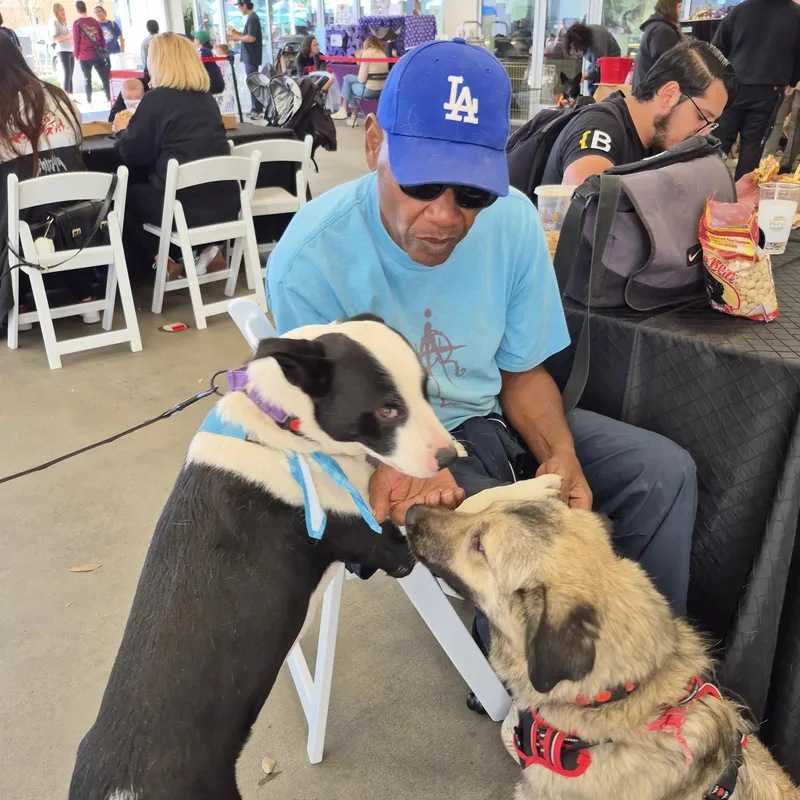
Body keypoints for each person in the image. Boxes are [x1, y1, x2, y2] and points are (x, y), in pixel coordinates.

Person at [267, 40, 699, 650]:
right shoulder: (311, 262)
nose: (446, 216)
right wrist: (393, 468)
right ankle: (534, 692)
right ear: (373, 144)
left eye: (472, 192)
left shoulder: (514, 221)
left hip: (493, 418)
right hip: (392, 452)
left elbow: (521, 372)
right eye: (423, 183)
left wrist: (559, 452)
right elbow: (326, 431)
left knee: (666, 475)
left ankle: (649, 665)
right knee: (515, 531)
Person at [540, 39, 758, 206]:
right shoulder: (598, 128)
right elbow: (590, 209)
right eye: (701, 117)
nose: (702, 133)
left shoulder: (656, 139)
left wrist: (729, 199)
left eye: (711, 123)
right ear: (669, 94)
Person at [114, 33, 236, 280]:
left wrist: (120, 133)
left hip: (180, 208)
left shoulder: (156, 100)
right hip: (225, 203)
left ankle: (161, 259)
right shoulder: (207, 100)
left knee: (120, 195)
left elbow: (132, 153)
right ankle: (209, 250)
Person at [0, 37, 98, 330]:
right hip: (78, 218)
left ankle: (20, 300)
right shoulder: (56, 95)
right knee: (51, 207)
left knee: (18, 211)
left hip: (22, 224)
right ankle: (85, 295)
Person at [712, 0, 800, 180]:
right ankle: (740, 198)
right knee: (752, 146)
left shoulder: (742, 8)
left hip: (734, 83)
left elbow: (716, 47)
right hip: (770, 87)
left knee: (719, 141)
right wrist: (792, 80)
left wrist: (719, 77)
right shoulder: (795, 13)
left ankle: (707, 189)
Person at [331, 35, 388, 122]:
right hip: (381, 91)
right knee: (349, 81)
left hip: (369, 90)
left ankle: (346, 111)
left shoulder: (367, 53)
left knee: (348, 81)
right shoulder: (383, 54)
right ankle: (349, 114)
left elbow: (361, 79)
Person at [632, 0, 682, 90]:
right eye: (679, 6)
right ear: (670, 7)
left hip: (647, 90)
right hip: (652, 93)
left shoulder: (656, 27)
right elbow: (664, 65)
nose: (680, 11)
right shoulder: (662, 30)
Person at [228, 1, 263, 120]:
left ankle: (257, 110)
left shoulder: (253, 18)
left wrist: (236, 37)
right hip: (250, 56)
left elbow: (251, 38)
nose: (239, 9)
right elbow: (248, 35)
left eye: (239, 7)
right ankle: (255, 108)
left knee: (253, 82)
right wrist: (238, 34)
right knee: (252, 82)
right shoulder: (251, 18)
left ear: (244, 6)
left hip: (251, 56)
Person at [564, 21, 620, 96]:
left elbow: (600, 67)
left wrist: (586, 75)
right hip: (601, 59)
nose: (577, 50)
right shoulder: (584, 33)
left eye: (576, 46)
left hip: (611, 62)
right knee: (591, 82)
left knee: (596, 87)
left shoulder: (596, 44)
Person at [73, 1, 111, 105]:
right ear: (85, 8)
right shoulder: (94, 21)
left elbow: (76, 41)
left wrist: (76, 55)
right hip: (97, 54)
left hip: (84, 56)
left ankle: (89, 101)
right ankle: (108, 98)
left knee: (87, 79)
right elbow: (102, 37)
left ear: (77, 9)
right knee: (104, 77)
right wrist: (103, 48)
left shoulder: (76, 23)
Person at [50, 4, 75, 96]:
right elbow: (54, 38)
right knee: (67, 74)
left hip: (70, 50)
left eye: (63, 9)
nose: (63, 12)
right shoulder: (55, 22)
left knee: (71, 75)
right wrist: (66, 36)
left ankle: (71, 96)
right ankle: (66, 97)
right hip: (62, 50)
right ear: (56, 12)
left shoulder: (63, 23)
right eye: (60, 10)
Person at [191, 29, 225, 95]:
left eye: (195, 38)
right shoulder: (209, 51)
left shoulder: (203, 52)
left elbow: (199, 69)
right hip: (218, 83)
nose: (193, 40)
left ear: (199, 41)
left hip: (212, 85)